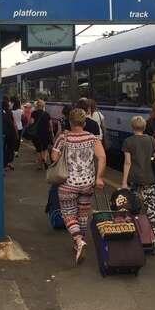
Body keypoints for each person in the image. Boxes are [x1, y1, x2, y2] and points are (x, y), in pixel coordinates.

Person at [51, 108, 106, 266]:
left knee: (68, 215)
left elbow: (54, 157)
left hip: (68, 184)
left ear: (70, 121)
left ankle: (78, 240)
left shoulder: (63, 137)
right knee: (82, 215)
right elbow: (102, 157)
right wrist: (99, 178)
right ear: (84, 122)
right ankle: (78, 244)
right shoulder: (92, 138)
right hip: (87, 183)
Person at [121, 115, 155, 245]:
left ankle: (135, 236)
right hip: (149, 178)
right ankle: (153, 238)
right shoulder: (151, 140)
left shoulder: (128, 141)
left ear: (132, 127)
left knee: (133, 207)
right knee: (151, 208)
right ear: (144, 126)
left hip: (134, 179)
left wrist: (124, 182)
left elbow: (127, 163)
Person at [29, 99, 53, 169]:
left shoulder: (34, 113)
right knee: (45, 149)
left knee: (38, 149)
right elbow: (50, 125)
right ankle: (44, 160)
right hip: (45, 134)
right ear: (43, 106)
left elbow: (31, 122)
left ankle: (40, 165)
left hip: (36, 134)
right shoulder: (47, 114)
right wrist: (52, 133)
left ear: (37, 106)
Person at [2, 99, 18, 170]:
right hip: (11, 133)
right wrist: (16, 133)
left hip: (4, 133)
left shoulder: (0, 113)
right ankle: (9, 163)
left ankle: (4, 164)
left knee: (4, 149)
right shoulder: (10, 112)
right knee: (10, 149)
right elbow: (14, 123)